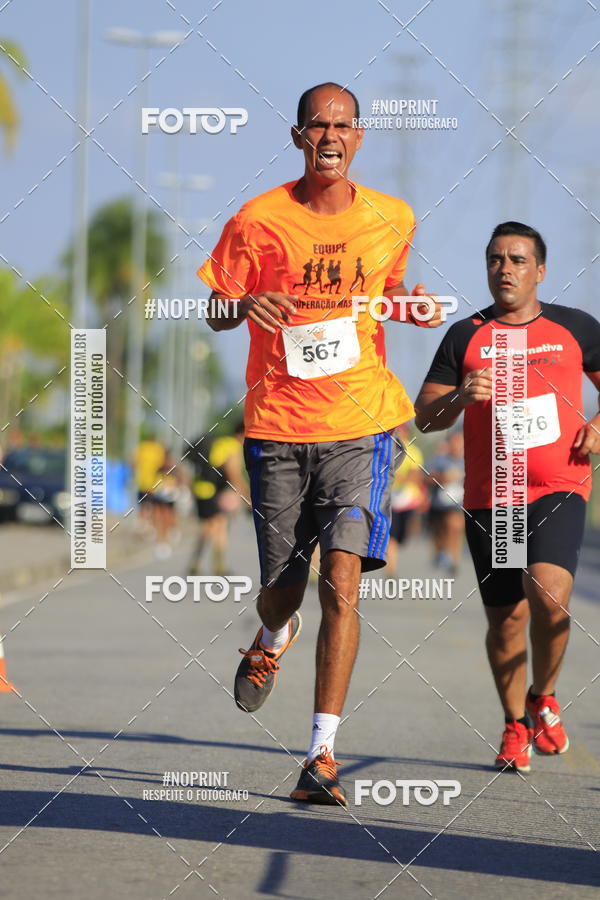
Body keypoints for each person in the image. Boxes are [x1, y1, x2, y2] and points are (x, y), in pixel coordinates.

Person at [198, 82, 443, 805]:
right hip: (277, 424)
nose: (330, 136)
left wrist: (415, 306)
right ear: (298, 135)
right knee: (284, 587)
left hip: (361, 425)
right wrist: (244, 303)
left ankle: (321, 755)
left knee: (343, 581)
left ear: (358, 136)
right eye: (317, 126)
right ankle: (272, 636)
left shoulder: (390, 218)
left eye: (343, 125)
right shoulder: (259, 219)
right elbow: (215, 309)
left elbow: (386, 298)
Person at [414, 221, 600, 773]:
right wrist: (459, 396)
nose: (505, 269)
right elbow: (425, 417)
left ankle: (545, 695)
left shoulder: (575, 328)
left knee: (548, 591)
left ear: (539, 271)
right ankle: (516, 721)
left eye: (518, 260)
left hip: (557, 484)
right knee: (507, 621)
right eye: (496, 259)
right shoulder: (463, 335)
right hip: (493, 494)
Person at [186, 419, 247, 576]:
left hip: (203, 487)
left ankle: (202, 564)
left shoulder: (222, 442)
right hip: (210, 491)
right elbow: (232, 472)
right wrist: (246, 494)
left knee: (215, 526)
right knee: (214, 526)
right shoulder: (233, 447)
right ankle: (213, 566)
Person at [387, 424, 427, 574]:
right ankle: (391, 570)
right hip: (390, 500)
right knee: (392, 536)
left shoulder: (414, 452)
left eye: (402, 432)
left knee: (403, 536)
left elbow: (415, 474)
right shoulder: (387, 450)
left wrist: (398, 478)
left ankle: (401, 542)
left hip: (408, 500)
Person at [425, 431, 465, 575]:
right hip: (438, 504)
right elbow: (427, 478)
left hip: (457, 504)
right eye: (454, 442)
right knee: (439, 531)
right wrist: (443, 478)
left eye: (460, 443)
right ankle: (441, 551)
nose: (457, 446)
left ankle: (454, 560)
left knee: (454, 527)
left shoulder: (467, 460)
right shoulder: (439, 460)